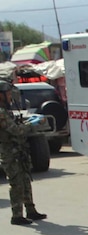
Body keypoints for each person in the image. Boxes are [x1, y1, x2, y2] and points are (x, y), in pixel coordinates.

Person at [0, 80, 47, 225]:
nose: (10, 96)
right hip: (9, 152)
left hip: (18, 151)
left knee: (26, 180)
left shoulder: (6, 111)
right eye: (7, 93)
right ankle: (17, 215)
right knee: (16, 182)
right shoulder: (1, 113)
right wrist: (32, 125)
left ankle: (30, 210)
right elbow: (16, 130)